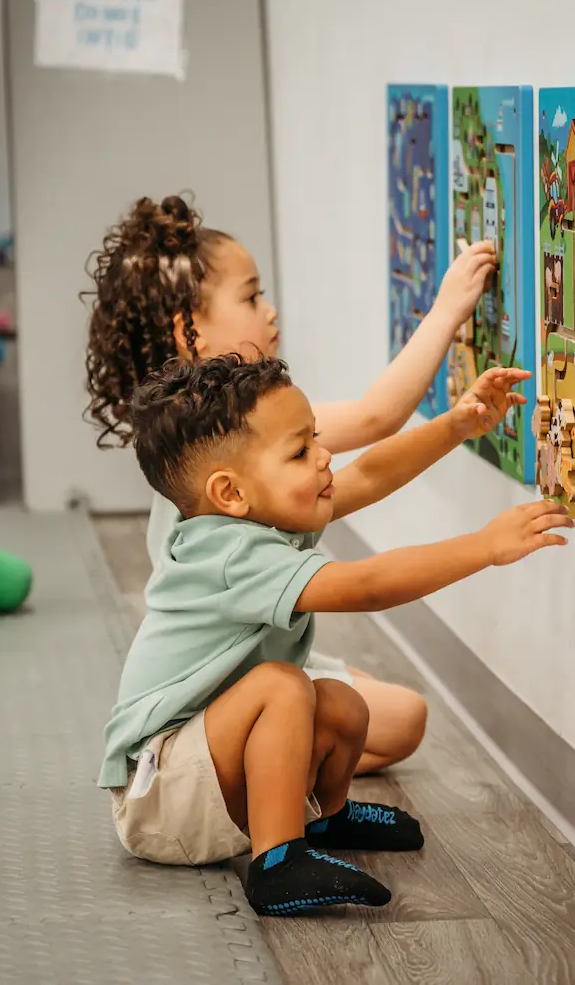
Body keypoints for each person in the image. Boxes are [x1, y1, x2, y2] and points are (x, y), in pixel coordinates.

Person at [98, 354, 572, 915]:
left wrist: (457, 425)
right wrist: (484, 546)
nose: (323, 457)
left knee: (340, 704)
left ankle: (321, 817)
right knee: (282, 686)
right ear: (230, 493)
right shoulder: (227, 553)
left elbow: (368, 475)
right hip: (158, 797)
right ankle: (278, 864)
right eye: (300, 452)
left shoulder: (263, 514)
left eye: (314, 439)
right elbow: (368, 586)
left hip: (201, 769)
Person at [85, 194, 498, 774]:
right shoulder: (228, 439)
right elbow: (377, 417)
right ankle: (269, 768)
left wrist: (455, 425)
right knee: (385, 717)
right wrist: (448, 308)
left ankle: (280, 752)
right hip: (226, 680)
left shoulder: (228, 431)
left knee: (394, 716)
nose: (270, 311)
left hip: (253, 645)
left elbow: (364, 476)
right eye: (251, 296)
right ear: (189, 332)